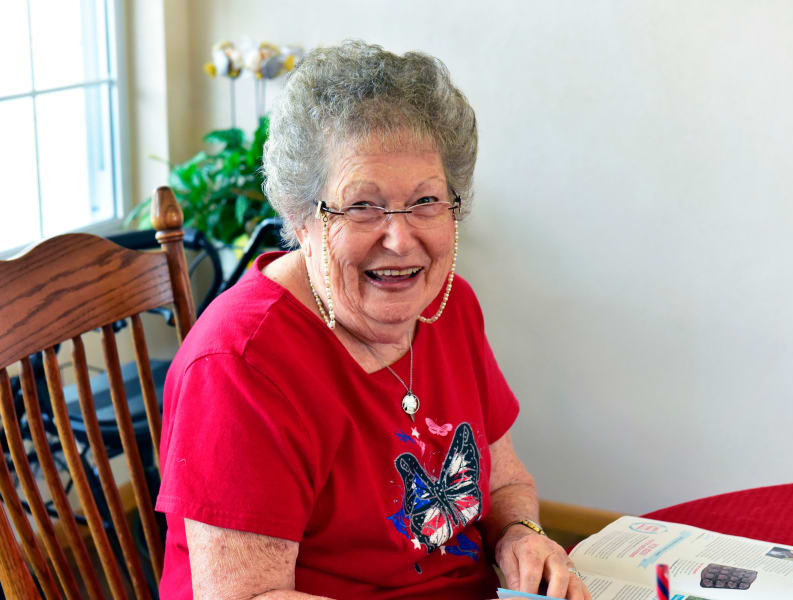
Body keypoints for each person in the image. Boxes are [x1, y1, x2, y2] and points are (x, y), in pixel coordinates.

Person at [156, 40, 590, 600]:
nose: (400, 237)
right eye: (362, 205)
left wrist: (520, 535)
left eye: (426, 201)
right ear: (300, 216)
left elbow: (504, 479)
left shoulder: (448, 306)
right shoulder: (240, 365)